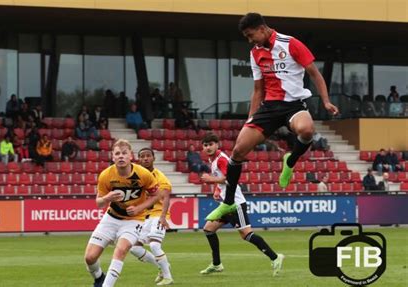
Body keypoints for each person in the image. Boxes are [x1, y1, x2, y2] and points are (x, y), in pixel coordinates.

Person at [206, 12, 339, 221]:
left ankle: (291, 159)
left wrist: (326, 101)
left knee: (306, 130)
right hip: (269, 108)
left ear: (262, 28)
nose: (250, 40)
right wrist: (250, 118)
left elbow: (314, 73)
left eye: (251, 35)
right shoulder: (255, 53)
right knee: (238, 150)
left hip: (293, 104)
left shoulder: (291, 43)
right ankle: (228, 202)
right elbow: (258, 89)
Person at [199, 133, 284, 276]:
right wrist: (216, 190)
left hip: (235, 203)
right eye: (205, 145)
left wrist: (211, 179)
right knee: (208, 229)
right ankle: (216, 264)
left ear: (217, 145)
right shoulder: (213, 160)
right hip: (226, 203)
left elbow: (230, 179)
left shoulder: (221, 159)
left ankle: (275, 257)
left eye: (210, 144)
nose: (208, 147)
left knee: (246, 234)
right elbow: (223, 180)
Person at [84, 139, 161, 287]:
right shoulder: (106, 175)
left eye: (124, 153)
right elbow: (99, 203)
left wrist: (139, 208)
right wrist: (107, 198)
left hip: (134, 220)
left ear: (130, 156)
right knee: (90, 258)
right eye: (117, 153)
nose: (121, 156)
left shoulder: (143, 174)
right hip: (111, 217)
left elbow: (156, 195)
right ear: (112, 157)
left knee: (121, 250)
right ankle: (99, 278)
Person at [129, 148, 174, 285]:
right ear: (139, 159)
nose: (145, 158)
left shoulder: (159, 177)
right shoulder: (137, 177)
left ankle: (168, 277)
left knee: (154, 245)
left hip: (158, 215)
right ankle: (162, 265)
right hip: (145, 217)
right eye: (142, 156)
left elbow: (166, 197)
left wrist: (163, 217)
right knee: (134, 248)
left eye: (148, 156)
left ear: (153, 158)